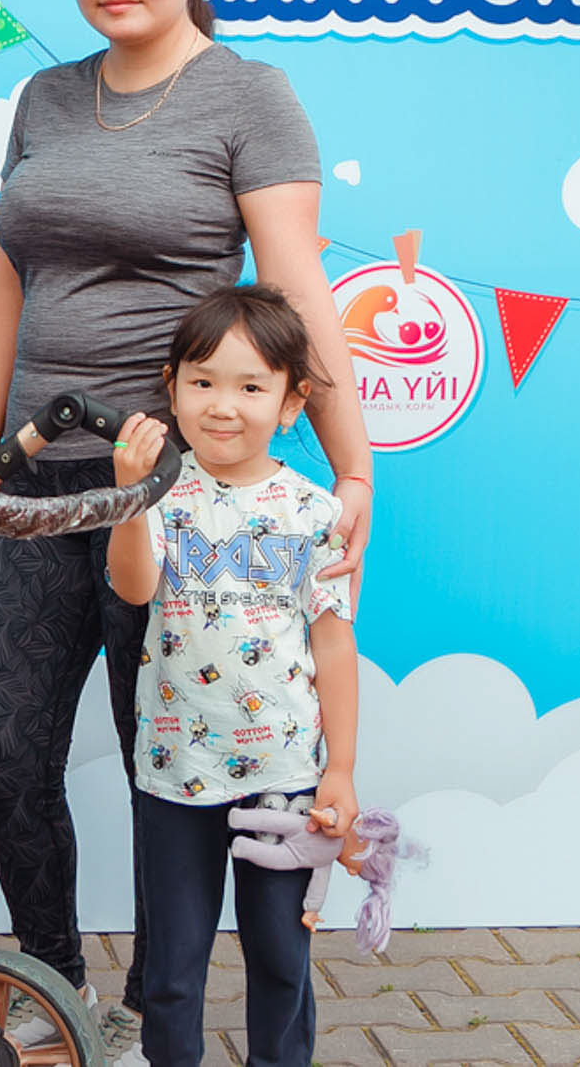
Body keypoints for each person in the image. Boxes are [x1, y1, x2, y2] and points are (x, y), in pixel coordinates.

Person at [0, 0, 373, 1063]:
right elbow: (8, 278)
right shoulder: (43, 98)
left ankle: (157, 1004)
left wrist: (353, 468)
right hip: (37, 481)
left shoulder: (247, 96)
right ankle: (53, 984)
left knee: (165, 761)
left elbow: (294, 288)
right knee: (7, 752)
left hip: (175, 495)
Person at [104, 285, 359, 1067]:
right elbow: (132, 590)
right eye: (203, 381)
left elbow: (333, 644)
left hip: (282, 773)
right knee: (172, 967)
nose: (222, 405)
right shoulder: (157, 494)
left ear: (291, 402)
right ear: (171, 388)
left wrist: (340, 771)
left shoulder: (314, 511)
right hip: (174, 768)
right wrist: (128, 495)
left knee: (280, 958)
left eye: (251, 386)